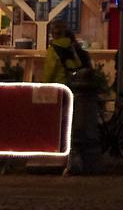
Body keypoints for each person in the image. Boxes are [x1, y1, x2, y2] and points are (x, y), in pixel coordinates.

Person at [42, 21, 102, 174]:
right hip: (72, 88)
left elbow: (49, 71)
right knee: (71, 123)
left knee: (57, 124)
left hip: (57, 88)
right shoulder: (71, 46)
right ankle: (71, 154)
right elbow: (77, 65)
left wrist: (43, 87)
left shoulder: (53, 49)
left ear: (53, 34)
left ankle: (57, 154)